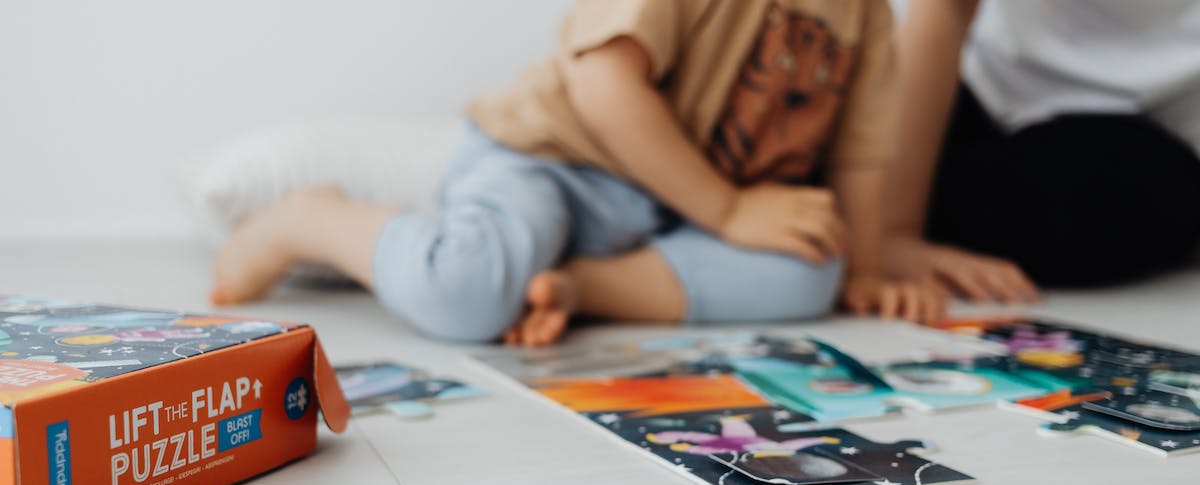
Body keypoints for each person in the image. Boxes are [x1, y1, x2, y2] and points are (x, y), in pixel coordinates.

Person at [211, 0, 943, 346]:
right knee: (466, 297)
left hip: (668, 216)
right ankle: (310, 216)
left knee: (815, 269)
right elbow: (604, 87)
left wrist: (868, 268)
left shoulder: (868, 15)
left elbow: (859, 150)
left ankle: (576, 287)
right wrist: (725, 211)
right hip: (549, 160)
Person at [884, 0, 1200, 300]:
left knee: (1144, 193)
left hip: (1135, 131)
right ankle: (865, 206)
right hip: (956, 77)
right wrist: (893, 235)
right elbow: (946, 8)